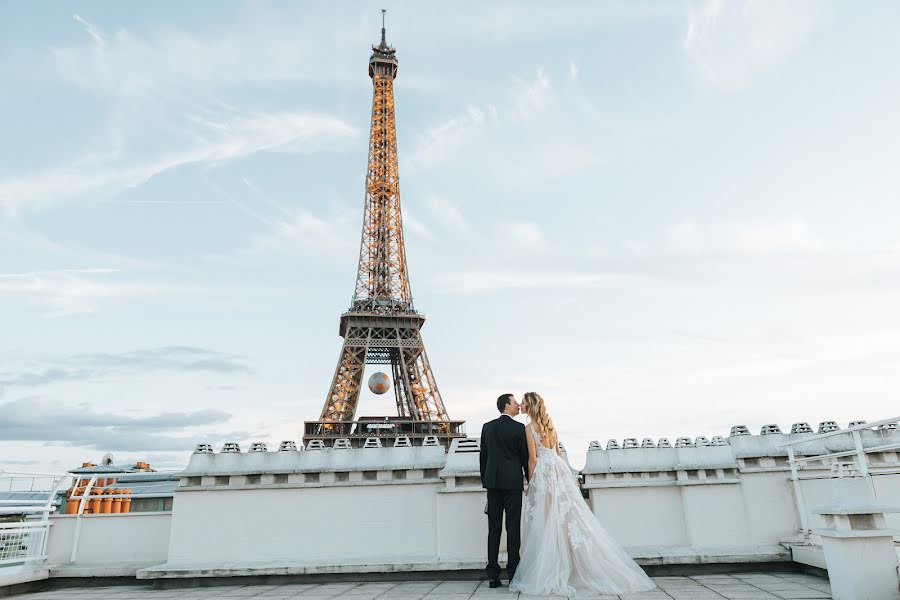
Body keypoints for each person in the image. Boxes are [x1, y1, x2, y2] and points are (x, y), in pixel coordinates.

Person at [509, 392, 657, 596]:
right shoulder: (551, 426)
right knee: (567, 518)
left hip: (544, 473)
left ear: (530, 406)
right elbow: (559, 455)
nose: (521, 404)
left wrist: (532, 481)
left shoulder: (529, 428)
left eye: (524, 402)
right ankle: (575, 567)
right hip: (559, 471)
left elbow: (533, 459)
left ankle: (554, 570)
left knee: (547, 520)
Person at [479, 393, 528, 588]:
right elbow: (524, 458)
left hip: (493, 483)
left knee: (494, 528)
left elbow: (483, 458)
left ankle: (492, 574)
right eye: (515, 402)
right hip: (513, 482)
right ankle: (513, 572)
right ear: (507, 406)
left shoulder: (487, 427)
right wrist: (530, 479)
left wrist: (487, 480)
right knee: (513, 527)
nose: (518, 405)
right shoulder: (518, 428)